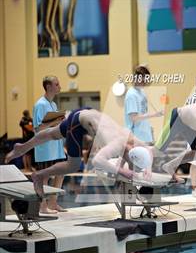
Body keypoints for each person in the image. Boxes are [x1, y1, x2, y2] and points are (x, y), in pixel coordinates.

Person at [6, 108, 152, 199]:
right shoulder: (117, 143)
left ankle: (22, 147)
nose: (130, 164)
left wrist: (148, 169)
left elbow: (150, 151)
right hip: (79, 122)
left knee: (52, 134)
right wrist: (122, 171)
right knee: (73, 165)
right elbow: (97, 161)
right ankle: (39, 175)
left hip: (87, 112)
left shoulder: (131, 138)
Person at [32, 75, 66, 213]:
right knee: (45, 177)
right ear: (48, 87)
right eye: (57, 84)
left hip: (56, 147)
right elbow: (38, 128)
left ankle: (53, 202)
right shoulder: (40, 105)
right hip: (45, 148)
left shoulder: (53, 104)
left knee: (61, 173)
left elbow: (52, 125)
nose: (60, 86)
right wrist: (54, 121)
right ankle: (43, 206)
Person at [124, 65, 163, 144]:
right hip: (135, 138)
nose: (145, 83)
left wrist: (149, 128)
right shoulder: (131, 95)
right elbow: (134, 118)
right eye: (144, 80)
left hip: (145, 136)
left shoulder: (142, 92)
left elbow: (143, 113)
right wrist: (154, 114)